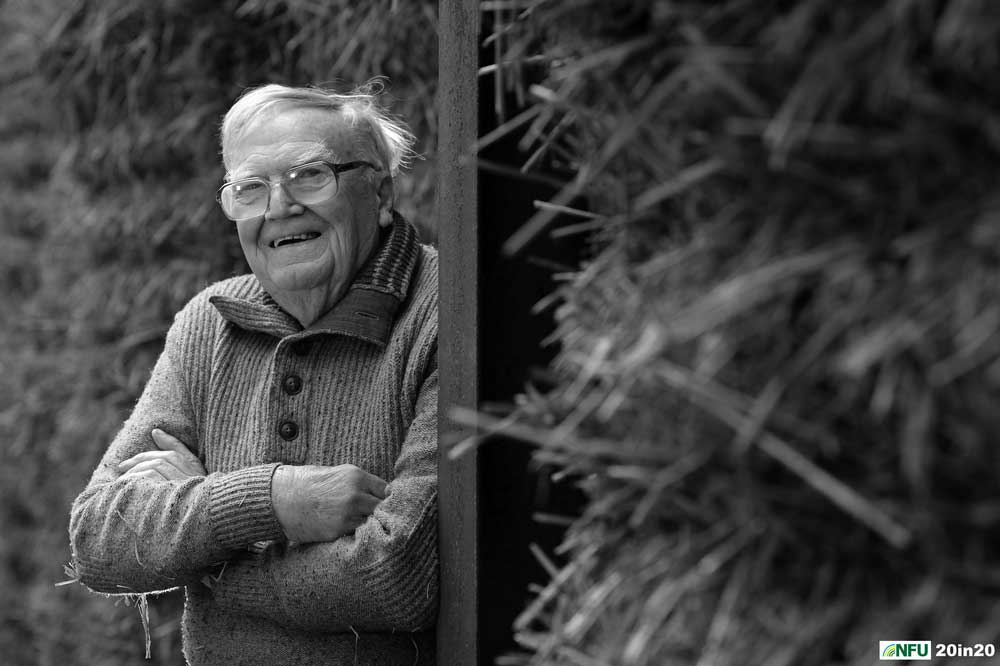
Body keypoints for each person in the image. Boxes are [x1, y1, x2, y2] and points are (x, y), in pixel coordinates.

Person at [68, 81, 439, 665]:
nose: (279, 207)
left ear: (382, 193)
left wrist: (208, 567)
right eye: (250, 189)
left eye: (310, 175)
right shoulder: (206, 324)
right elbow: (98, 538)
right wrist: (270, 500)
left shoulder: (443, 314)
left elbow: (395, 577)